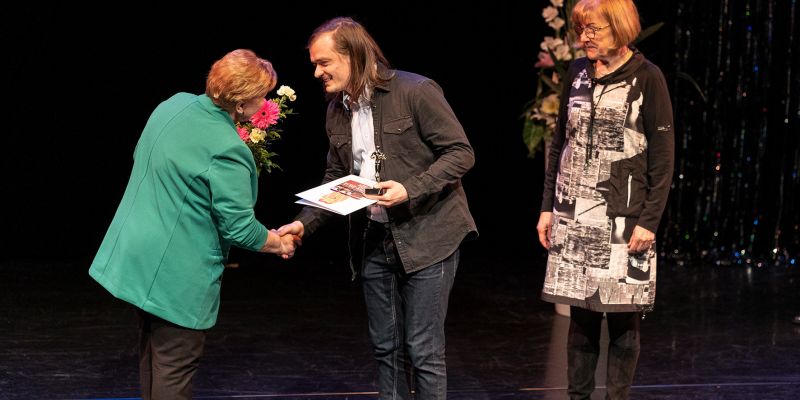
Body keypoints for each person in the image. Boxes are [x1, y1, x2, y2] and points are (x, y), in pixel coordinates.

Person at [277, 17, 477, 400]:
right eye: (315, 64)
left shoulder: (415, 91)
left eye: (324, 62)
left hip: (429, 236)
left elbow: (460, 153)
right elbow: (337, 177)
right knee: (386, 348)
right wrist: (304, 224)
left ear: (353, 55)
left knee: (423, 350)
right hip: (374, 239)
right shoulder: (337, 109)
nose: (317, 72)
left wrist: (410, 189)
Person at [89, 49, 297, 400]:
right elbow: (240, 228)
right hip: (176, 275)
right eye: (261, 96)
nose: (265, 103)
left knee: (154, 358)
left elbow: (144, 158)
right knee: (173, 366)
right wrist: (279, 243)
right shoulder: (229, 148)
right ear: (241, 104)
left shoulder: (173, 105)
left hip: (137, 258)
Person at [535, 1, 674, 399]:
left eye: (593, 29)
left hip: (624, 216)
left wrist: (649, 220)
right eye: (581, 29)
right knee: (580, 318)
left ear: (619, 27)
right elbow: (560, 143)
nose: (584, 37)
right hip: (573, 212)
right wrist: (547, 207)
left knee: (623, 317)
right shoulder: (578, 72)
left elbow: (663, 158)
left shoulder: (647, 78)